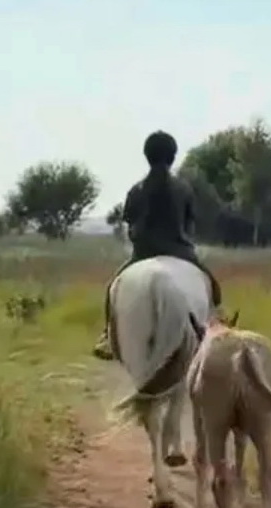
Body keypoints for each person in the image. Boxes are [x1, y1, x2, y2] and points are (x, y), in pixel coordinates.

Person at [93, 130, 223, 360]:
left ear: (147, 156)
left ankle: (107, 335)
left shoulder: (136, 190)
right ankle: (216, 324)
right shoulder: (184, 188)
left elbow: (130, 225)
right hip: (181, 252)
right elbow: (190, 225)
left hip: (143, 253)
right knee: (213, 287)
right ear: (173, 156)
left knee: (112, 288)